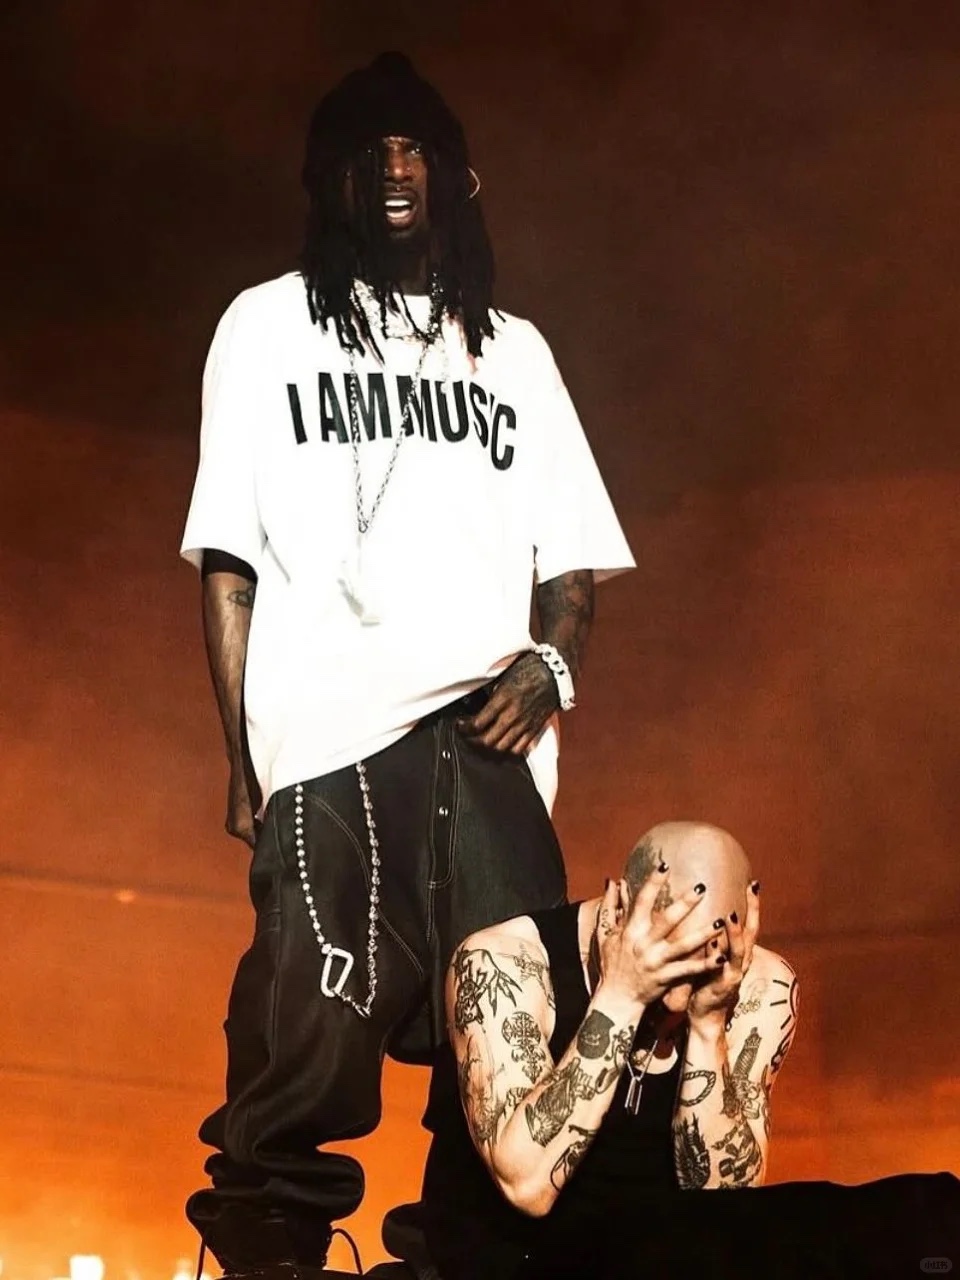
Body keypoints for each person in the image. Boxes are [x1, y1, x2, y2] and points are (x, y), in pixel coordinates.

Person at [179, 51, 634, 1274]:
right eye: (370, 149)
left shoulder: (516, 353)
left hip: (488, 749)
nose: (394, 168)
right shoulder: (265, 325)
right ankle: (271, 1257)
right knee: (302, 1044)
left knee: (505, 1058)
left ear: (453, 176)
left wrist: (552, 667)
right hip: (331, 741)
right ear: (328, 178)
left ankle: (461, 1263)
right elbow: (229, 566)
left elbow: (573, 569)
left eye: (416, 147)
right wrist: (244, 761)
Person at [396, 822, 960, 1279]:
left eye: (705, 960)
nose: (684, 988)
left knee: (925, 1214)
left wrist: (710, 1025)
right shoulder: (503, 962)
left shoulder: (759, 985)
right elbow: (528, 1186)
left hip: (667, 1253)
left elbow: (727, 1207)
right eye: (672, 957)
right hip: (520, 1258)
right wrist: (622, 994)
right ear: (619, 909)